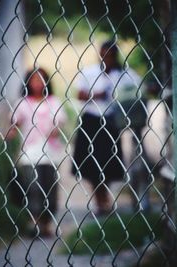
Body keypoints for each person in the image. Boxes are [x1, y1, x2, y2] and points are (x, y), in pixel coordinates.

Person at [72, 39, 144, 215]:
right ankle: (100, 200)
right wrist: (98, 94)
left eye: (110, 55)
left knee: (109, 163)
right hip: (91, 121)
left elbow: (138, 89)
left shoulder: (125, 74)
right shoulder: (90, 72)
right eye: (103, 55)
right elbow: (80, 94)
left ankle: (104, 198)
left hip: (111, 122)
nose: (106, 59)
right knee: (91, 165)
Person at [9, 67, 66, 237]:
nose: (37, 83)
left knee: (50, 188)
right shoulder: (22, 103)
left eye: (41, 79)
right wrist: (11, 131)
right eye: (34, 80)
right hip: (30, 152)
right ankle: (34, 221)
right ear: (28, 82)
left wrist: (55, 129)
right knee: (33, 187)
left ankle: (46, 223)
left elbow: (60, 121)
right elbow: (14, 124)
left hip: (50, 153)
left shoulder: (53, 101)